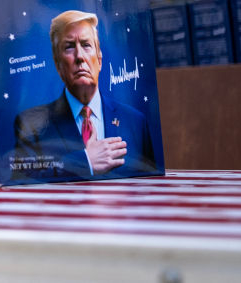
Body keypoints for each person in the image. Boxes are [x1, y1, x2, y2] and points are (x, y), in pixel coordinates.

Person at [12, 10, 156, 181]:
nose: (80, 56)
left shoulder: (136, 123)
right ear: (58, 66)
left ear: (100, 60)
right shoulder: (30, 125)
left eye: (86, 45)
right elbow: (23, 183)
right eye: (69, 46)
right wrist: (85, 162)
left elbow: (149, 185)